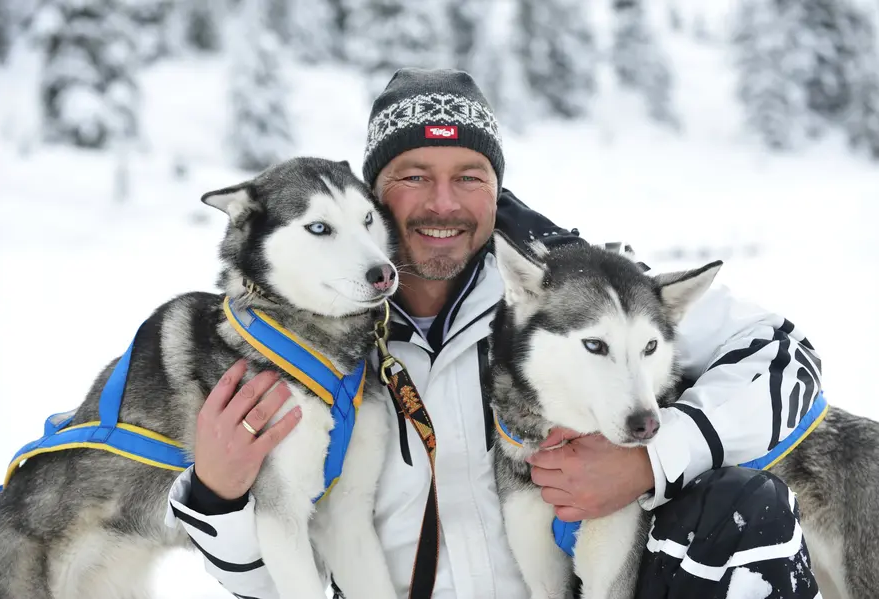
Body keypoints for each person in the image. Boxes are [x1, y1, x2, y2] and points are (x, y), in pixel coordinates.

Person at [165, 68, 823, 598]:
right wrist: (219, 497)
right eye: (414, 176)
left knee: (741, 511)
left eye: (469, 177)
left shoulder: (572, 290)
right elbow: (267, 580)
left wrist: (650, 458)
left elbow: (786, 359)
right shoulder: (307, 338)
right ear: (369, 198)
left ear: (497, 188)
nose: (443, 204)